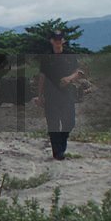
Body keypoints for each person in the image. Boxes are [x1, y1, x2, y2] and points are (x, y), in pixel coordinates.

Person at [36, 29, 84, 160]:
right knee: (53, 124)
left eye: (60, 39)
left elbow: (78, 72)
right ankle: (58, 152)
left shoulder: (70, 55)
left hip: (67, 93)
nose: (58, 42)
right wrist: (39, 96)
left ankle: (62, 143)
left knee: (69, 122)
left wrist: (69, 78)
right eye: (55, 39)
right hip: (51, 94)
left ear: (63, 40)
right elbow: (42, 77)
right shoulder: (46, 58)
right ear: (51, 41)